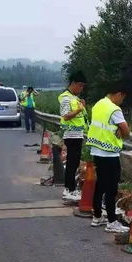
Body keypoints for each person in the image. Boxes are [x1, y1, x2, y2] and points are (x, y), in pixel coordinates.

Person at [86, 85, 130, 233]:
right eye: (122, 98)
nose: (122, 101)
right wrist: (121, 130)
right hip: (110, 153)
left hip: (97, 151)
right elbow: (126, 131)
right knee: (111, 188)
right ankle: (112, 221)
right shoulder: (114, 109)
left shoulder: (99, 104)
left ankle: (97, 216)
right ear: (118, 93)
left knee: (100, 185)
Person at [58, 71, 87, 199]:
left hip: (78, 134)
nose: (81, 88)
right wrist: (79, 109)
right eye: (80, 85)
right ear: (73, 83)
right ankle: (68, 190)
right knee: (71, 163)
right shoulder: (65, 97)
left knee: (74, 163)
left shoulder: (74, 98)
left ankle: (72, 189)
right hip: (71, 135)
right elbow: (65, 115)